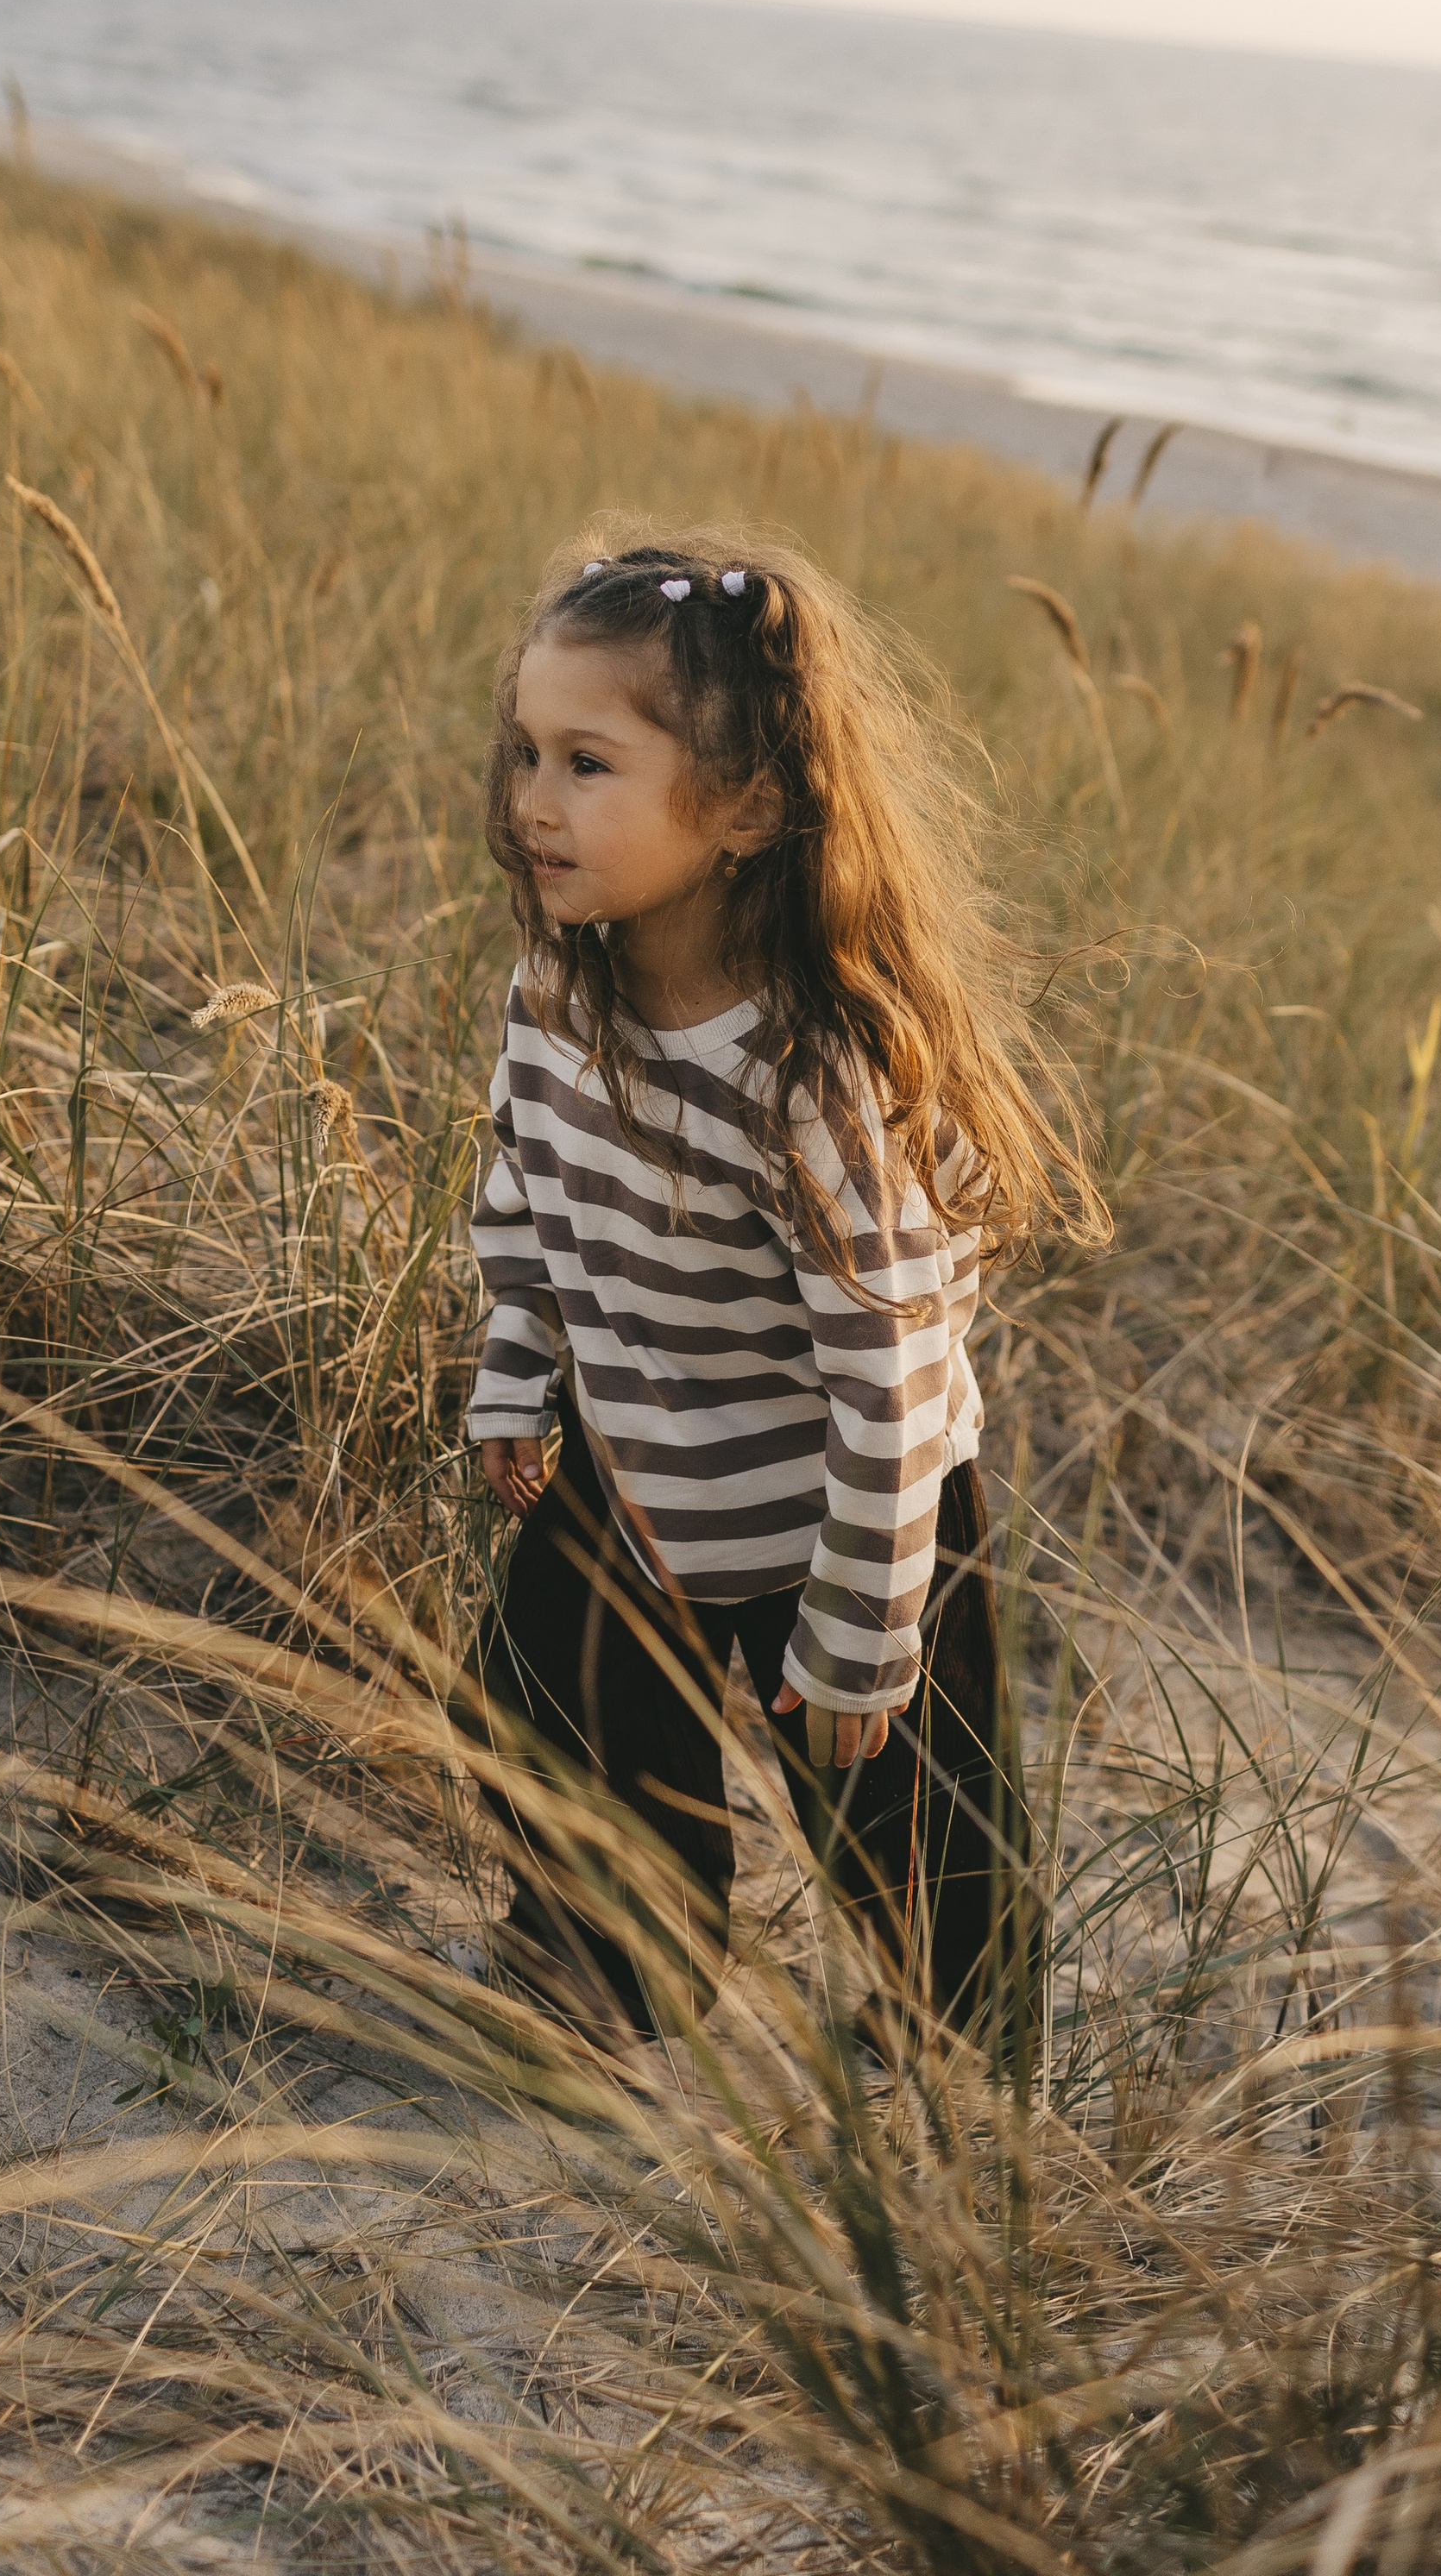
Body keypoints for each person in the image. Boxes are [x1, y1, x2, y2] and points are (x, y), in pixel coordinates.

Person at [463, 528, 1106, 2049]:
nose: (533, 803)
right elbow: (524, 1191)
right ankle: (607, 1977)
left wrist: (863, 1625)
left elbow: (888, 1380)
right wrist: (514, 1366)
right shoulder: (559, 984)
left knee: (907, 1823)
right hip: (633, 1466)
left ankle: (960, 2047)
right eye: (526, 753)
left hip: (855, 1516)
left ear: (748, 806)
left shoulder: (814, 1079)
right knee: (553, 1714)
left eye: (588, 765)